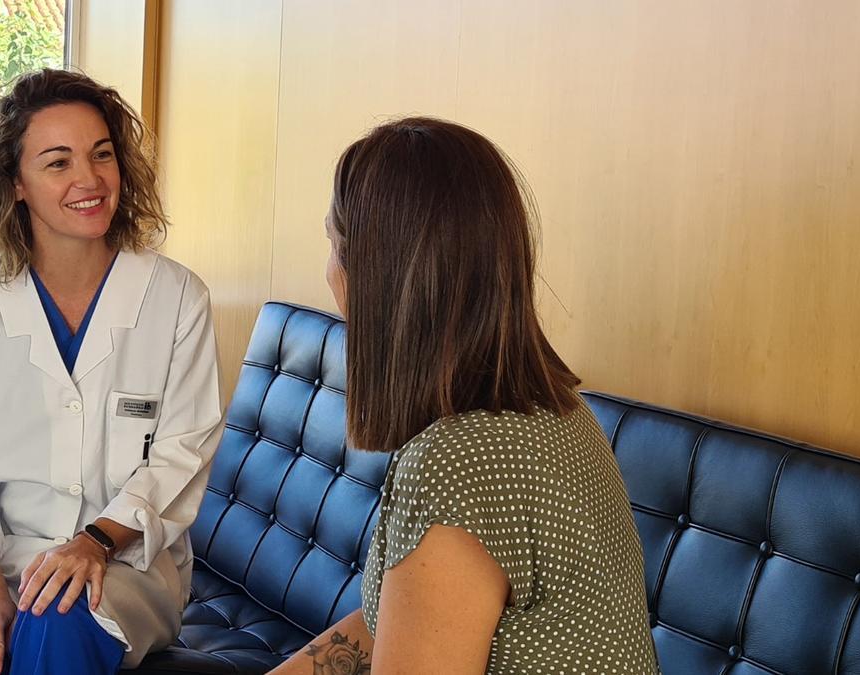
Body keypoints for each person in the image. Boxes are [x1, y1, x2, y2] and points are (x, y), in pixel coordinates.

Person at [273, 117, 658, 674]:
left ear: (379, 276)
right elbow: (397, 621)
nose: (329, 271)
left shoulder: (459, 464)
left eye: (334, 245)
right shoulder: (556, 413)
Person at [0, 68, 223, 675]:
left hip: (124, 561)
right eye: (58, 163)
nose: (89, 179)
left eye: (101, 155)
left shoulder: (177, 298)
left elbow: (181, 456)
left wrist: (94, 542)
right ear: (16, 184)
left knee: (57, 619)